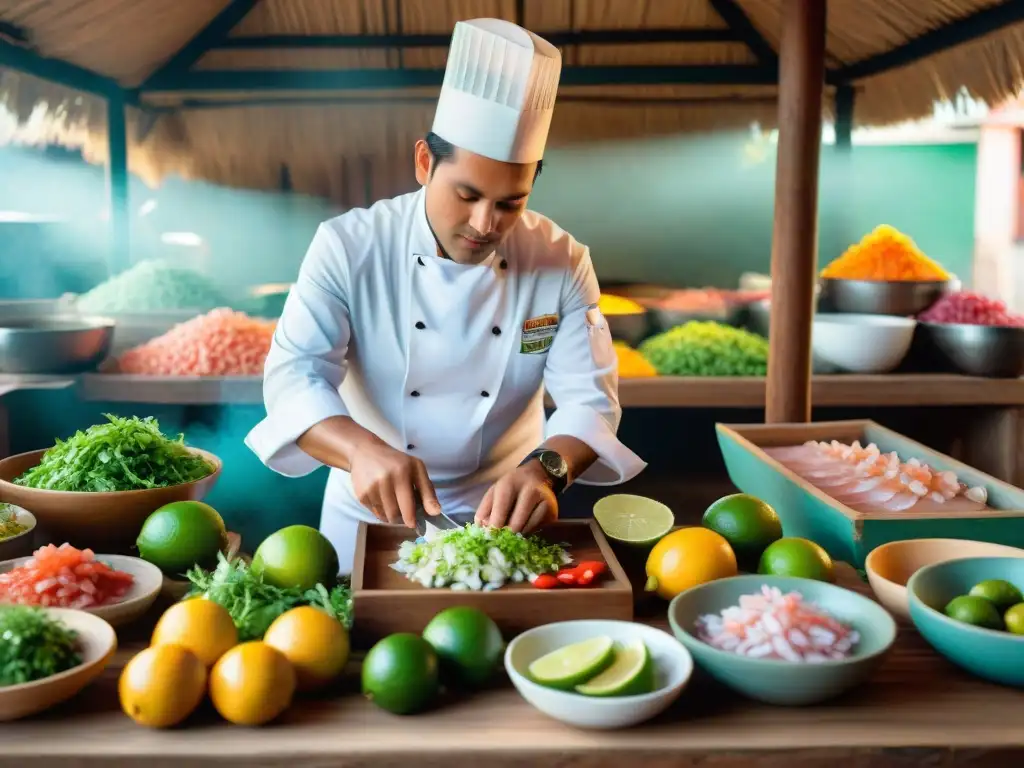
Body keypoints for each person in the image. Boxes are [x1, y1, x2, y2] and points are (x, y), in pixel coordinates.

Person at [245, 17, 646, 572]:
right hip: (366, 518)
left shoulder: (562, 259)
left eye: (511, 202)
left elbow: (589, 399)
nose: (485, 223)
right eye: (467, 194)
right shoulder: (348, 245)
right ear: (424, 163)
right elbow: (295, 376)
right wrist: (360, 451)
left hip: (505, 524)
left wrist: (547, 470)